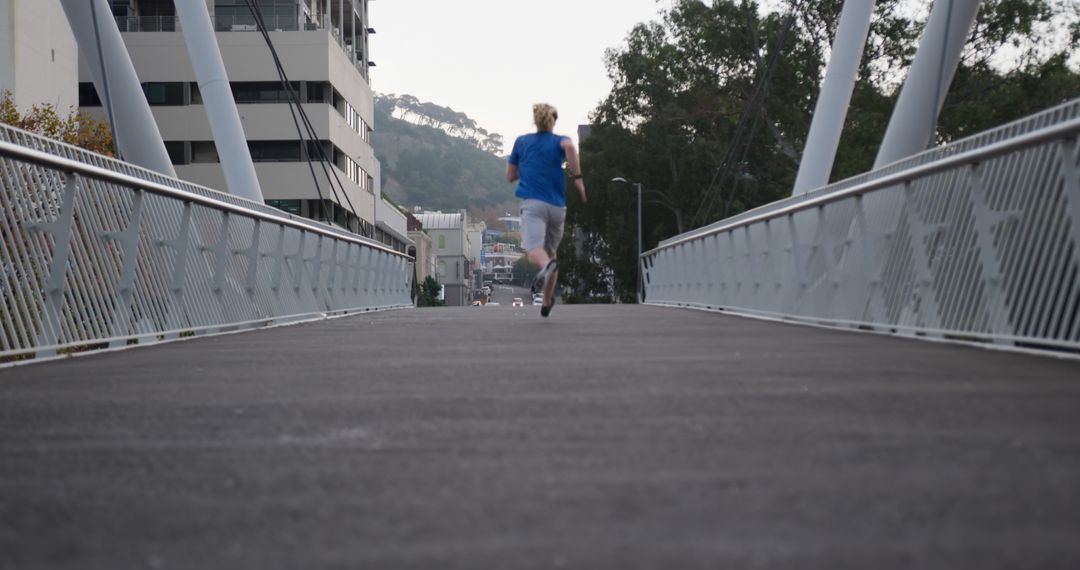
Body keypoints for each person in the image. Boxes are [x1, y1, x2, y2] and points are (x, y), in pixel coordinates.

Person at [506, 103, 587, 318]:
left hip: (534, 205)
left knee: (536, 253)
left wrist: (528, 166)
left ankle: (546, 265)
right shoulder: (559, 140)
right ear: (553, 121)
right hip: (558, 207)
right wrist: (578, 179)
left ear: (535, 120)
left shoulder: (522, 142)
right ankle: (548, 301)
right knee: (552, 253)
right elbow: (570, 148)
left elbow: (510, 176)